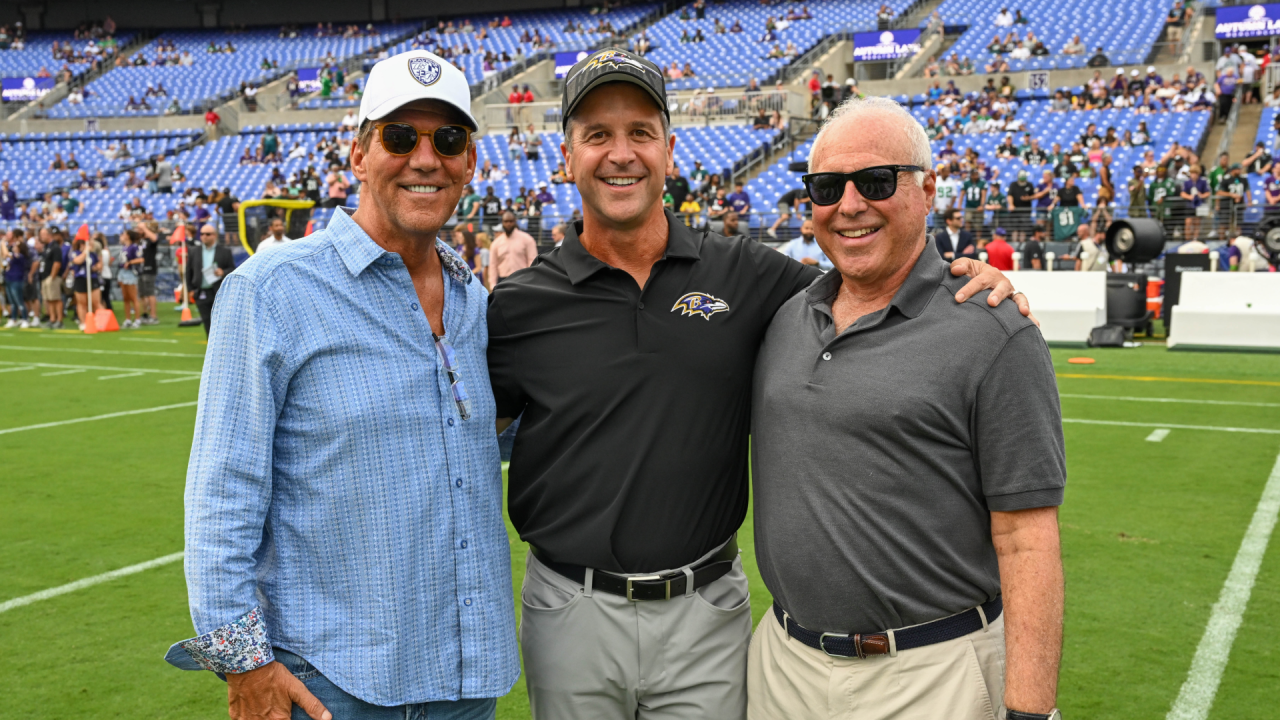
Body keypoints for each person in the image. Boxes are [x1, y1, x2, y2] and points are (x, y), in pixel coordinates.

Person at [485, 48, 1027, 720]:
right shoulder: (516, 306)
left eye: (640, 133)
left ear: (670, 152)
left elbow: (868, 286)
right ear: (566, 156)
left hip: (706, 613)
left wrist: (959, 277)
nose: (619, 153)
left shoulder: (749, 275)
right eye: (597, 135)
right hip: (570, 608)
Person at [164, 50, 518, 720]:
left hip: (469, 680)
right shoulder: (271, 291)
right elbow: (222, 489)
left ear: (470, 162)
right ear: (358, 154)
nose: (424, 158)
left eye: (447, 139)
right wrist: (246, 666)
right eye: (398, 136)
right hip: (334, 683)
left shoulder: (474, 302)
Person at [749, 97, 1064, 720]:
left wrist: (1030, 713)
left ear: (928, 190)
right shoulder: (786, 315)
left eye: (875, 181)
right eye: (826, 186)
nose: (850, 205)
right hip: (784, 665)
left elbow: (1027, 539)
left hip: (932, 674)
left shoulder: (993, 331)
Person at [486, 210, 537, 288]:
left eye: (511, 221)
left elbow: (532, 261)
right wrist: (492, 285)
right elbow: (493, 265)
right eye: (506, 221)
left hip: (522, 280)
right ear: (502, 223)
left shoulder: (527, 239)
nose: (508, 224)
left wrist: (531, 281)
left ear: (515, 221)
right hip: (503, 281)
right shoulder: (496, 243)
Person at [39, 228, 65, 329]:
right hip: (45, 276)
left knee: (56, 299)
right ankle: (52, 319)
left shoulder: (55, 247)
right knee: (49, 299)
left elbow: (57, 263)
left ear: (48, 235)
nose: (41, 236)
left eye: (43, 234)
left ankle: (59, 320)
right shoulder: (46, 247)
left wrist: (52, 277)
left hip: (52, 277)